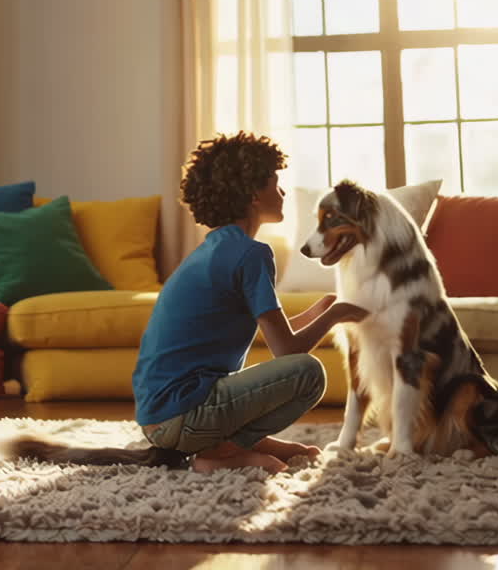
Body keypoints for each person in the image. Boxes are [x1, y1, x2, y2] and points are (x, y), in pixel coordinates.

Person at [131, 132, 368, 473]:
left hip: (159, 420)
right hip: (185, 415)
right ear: (255, 195)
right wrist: (338, 314)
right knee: (308, 373)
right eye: (275, 183)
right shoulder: (251, 254)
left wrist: (323, 309)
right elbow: (287, 353)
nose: (282, 192)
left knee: (294, 368)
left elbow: (277, 333)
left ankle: (225, 444)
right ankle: (221, 453)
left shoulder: (216, 249)